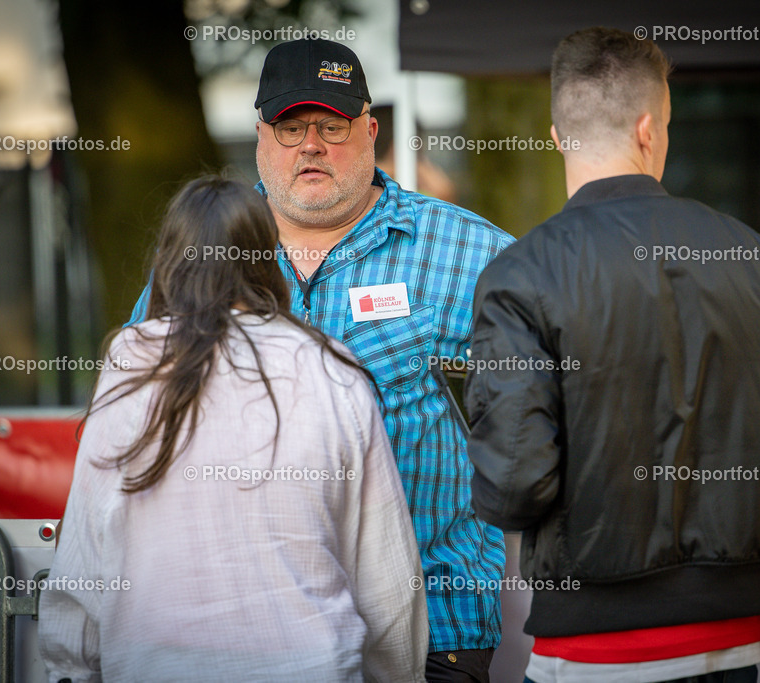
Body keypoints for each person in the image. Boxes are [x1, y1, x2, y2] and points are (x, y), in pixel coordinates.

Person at [464, 27, 760, 683]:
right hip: (736, 640)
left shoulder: (519, 274)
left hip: (590, 651)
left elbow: (517, 487)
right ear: (649, 129)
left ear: (555, 136)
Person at [125, 39, 514, 681]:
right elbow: (134, 415)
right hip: (250, 633)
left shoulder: (471, 253)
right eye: (291, 128)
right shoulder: (200, 260)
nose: (311, 145)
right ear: (260, 138)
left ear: (370, 130)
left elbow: (559, 396)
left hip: (436, 631)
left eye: (332, 126)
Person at [38, 177, 427, 682]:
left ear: (170, 260)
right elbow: (387, 580)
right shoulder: (332, 371)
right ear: (268, 259)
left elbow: (83, 563)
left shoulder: (131, 365)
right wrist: (399, 676)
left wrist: (69, 668)